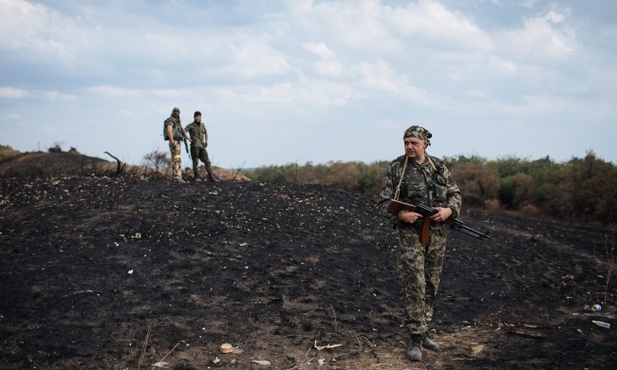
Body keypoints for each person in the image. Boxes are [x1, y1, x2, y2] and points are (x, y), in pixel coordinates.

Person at [377, 125, 462, 362]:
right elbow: (382, 203)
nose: (409, 147)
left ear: (425, 144)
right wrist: (400, 215)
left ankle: (424, 330)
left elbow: (455, 194)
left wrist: (448, 210)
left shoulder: (439, 167)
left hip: (437, 234)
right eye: (405, 142)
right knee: (415, 282)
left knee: (431, 283)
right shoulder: (397, 168)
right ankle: (415, 336)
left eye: (413, 142)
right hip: (410, 235)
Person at [184, 111, 219, 182]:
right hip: (194, 146)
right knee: (195, 161)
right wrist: (189, 140)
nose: (198, 118)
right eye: (197, 117)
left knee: (207, 160)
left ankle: (211, 176)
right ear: (194, 117)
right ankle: (196, 176)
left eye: (199, 117)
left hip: (202, 146)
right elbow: (184, 131)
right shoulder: (191, 125)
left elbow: (206, 133)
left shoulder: (202, 125)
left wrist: (206, 142)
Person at [164, 107, 190, 183]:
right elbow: (169, 131)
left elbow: (182, 131)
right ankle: (177, 177)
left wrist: (188, 139)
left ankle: (177, 176)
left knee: (177, 159)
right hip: (174, 141)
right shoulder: (170, 121)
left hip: (178, 141)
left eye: (178, 112)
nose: (177, 113)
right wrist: (172, 142)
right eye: (176, 112)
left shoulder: (178, 121)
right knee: (176, 159)